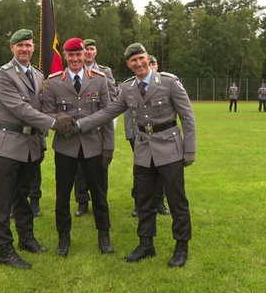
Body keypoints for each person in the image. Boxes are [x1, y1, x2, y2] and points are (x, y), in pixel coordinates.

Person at [73, 42, 196, 268]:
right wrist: (80, 124)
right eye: (133, 61)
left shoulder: (168, 82)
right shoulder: (128, 88)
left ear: (148, 59)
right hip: (143, 151)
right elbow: (108, 112)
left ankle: (181, 246)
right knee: (143, 199)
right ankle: (146, 244)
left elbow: (187, 117)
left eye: (141, 58)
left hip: (169, 148)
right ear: (128, 65)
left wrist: (189, 149)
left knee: (177, 200)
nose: (138, 63)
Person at [0, 28, 74, 269]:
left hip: (30, 146)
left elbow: (43, 106)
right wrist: (53, 123)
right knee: (3, 199)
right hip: (8, 145)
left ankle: (26, 239)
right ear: (12, 48)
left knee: (23, 197)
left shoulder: (38, 75)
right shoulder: (3, 75)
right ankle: (4, 249)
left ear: (34, 47)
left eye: (28, 45)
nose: (24, 49)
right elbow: (20, 109)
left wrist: (59, 114)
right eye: (20, 45)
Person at [42, 37, 115, 257]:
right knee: (62, 195)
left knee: (99, 195)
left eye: (79, 54)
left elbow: (107, 114)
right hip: (65, 147)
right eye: (71, 55)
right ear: (65, 56)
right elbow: (45, 113)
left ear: (85, 55)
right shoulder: (54, 81)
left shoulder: (99, 80)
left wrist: (108, 147)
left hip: (93, 145)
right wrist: (58, 117)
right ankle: (63, 237)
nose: (75, 59)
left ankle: (104, 235)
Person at [73, 38, 118, 217]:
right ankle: (82, 201)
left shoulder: (105, 72)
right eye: (86, 49)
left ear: (95, 52)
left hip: (100, 126)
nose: (89, 52)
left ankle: (101, 199)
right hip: (80, 127)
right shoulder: (74, 72)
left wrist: (107, 119)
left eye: (92, 49)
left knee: (101, 166)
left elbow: (113, 96)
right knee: (79, 167)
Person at [127, 54, 170, 217]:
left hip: (163, 141)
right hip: (141, 139)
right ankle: (139, 204)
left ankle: (160, 201)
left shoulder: (166, 84)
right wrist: (131, 136)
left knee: (162, 173)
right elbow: (126, 115)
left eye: (153, 63)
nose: (149, 65)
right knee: (141, 173)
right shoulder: (130, 87)